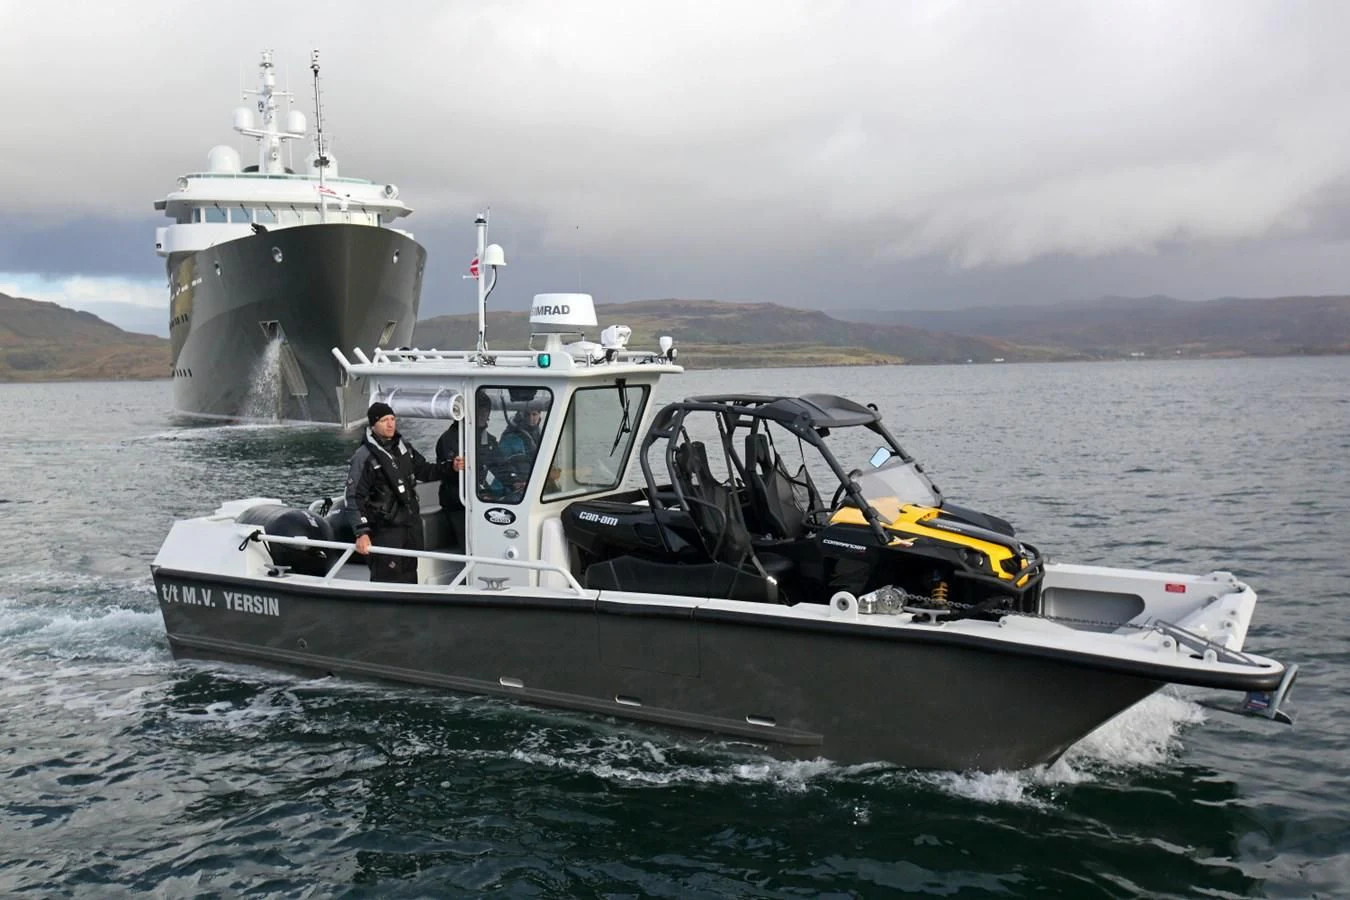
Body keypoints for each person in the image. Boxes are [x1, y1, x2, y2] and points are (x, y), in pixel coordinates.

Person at [345, 401, 448, 583]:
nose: (390, 424)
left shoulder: (404, 448)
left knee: (410, 576)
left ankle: (410, 610)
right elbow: (354, 497)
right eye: (385, 420)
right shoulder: (364, 457)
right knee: (387, 579)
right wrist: (362, 533)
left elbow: (424, 470)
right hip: (384, 530)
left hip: (409, 527)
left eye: (392, 419)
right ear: (373, 425)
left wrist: (451, 468)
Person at [436, 393, 503, 546]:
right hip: (458, 504)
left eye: (486, 411)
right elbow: (449, 474)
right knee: (470, 545)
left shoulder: (489, 440)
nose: (484, 415)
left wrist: (515, 481)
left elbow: (501, 466)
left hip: (483, 498)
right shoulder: (449, 440)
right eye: (480, 410)